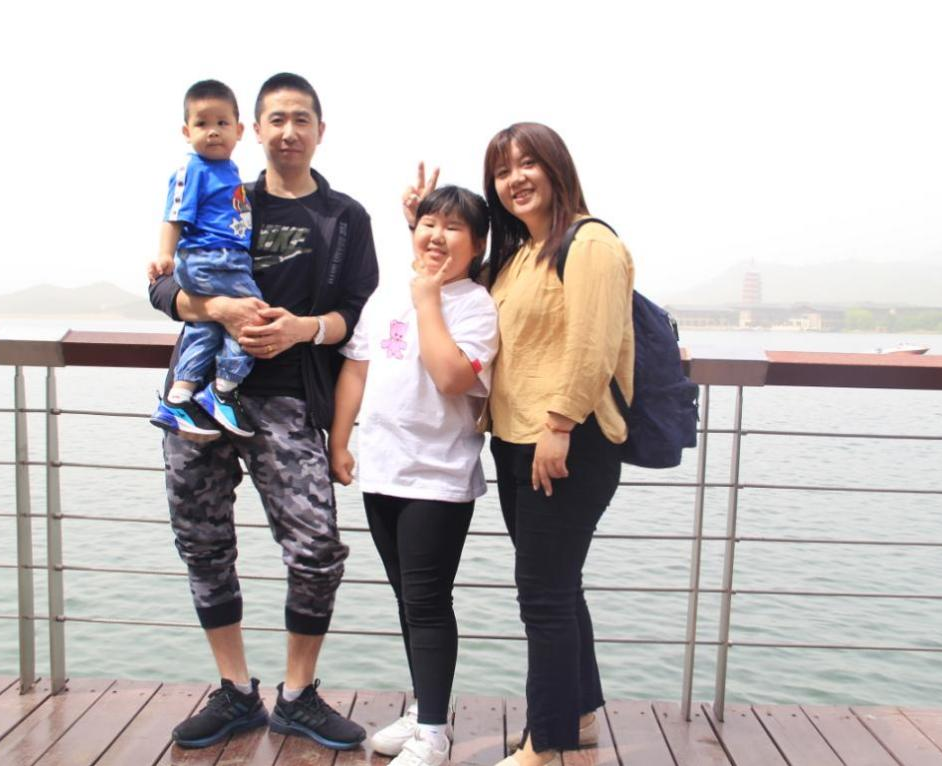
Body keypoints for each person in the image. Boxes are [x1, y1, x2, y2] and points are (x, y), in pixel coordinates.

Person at [147, 72, 378, 750]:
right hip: (201, 402)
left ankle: (298, 695)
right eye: (276, 119)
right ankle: (235, 690)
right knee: (202, 541)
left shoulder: (344, 219)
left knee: (317, 550)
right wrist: (216, 308)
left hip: (289, 399)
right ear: (255, 129)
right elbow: (162, 290)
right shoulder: (224, 192)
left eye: (301, 118)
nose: (288, 131)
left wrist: (303, 329)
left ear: (320, 130)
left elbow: (356, 316)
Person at [330, 186, 499, 766]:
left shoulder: (475, 305)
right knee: (407, 600)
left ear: (477, 245)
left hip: (438, 476)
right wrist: (339, 440)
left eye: (454, 228)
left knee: (427, 601)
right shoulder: (386, 294)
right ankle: (426, 709)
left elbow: (453, 378)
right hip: (382, 470)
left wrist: (428, 299)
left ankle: (433, 734)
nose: (437, 236)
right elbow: (357, 368)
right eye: (429, 223)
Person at [483, 123, 634, 766]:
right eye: (502, 170)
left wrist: (561, 424)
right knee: (559, 588)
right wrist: (419, 225)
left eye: (528, 164)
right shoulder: (521, 252)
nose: (515, 179)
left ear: (555, 167)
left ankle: (543, 745)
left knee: (542, 597)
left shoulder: (590, 243)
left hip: (568, 441)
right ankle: (577, 717)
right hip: (518, 441)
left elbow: (592, 344)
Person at [147, 79, 260, 439]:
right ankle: (223, 389)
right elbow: (174, 215)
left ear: (239, 130)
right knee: (253, 315)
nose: (213, 132)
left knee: (206, 327)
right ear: (187, 131)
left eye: (222, 123)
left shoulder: (229, 170)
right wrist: (165, 254)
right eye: (202, 124)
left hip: (225, 258)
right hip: (212, 258)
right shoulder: (192, 168)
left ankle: (179, 397)